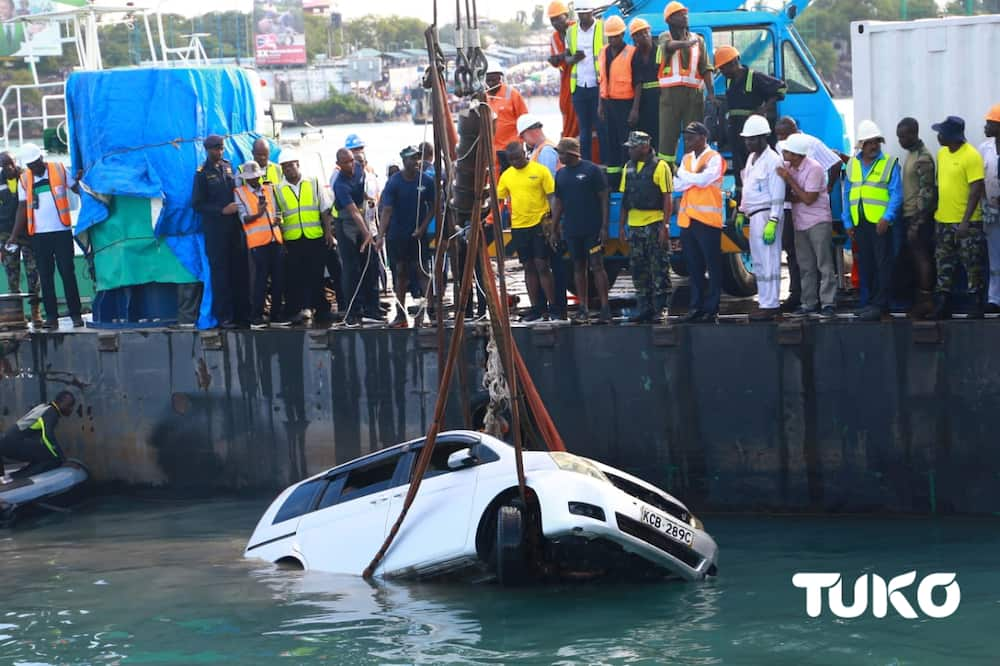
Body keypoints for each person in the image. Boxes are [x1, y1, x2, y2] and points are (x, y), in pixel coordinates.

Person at [774, 116, 844, 312]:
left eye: (787, 150)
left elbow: (808, 199)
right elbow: (794, 196)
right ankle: (809, 302)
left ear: (796, 154)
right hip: (799, 222)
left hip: (817, 221)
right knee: (805, 265)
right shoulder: (788, 165)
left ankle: (828, 302)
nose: (782, 151)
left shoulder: (814, 168)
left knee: (824, 264)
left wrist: (791, 182)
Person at [10, 144, 84, 329]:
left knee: (67, 272)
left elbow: (76, 188)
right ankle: (51, 317)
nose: (33, 169)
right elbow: (21, 208)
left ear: (41, 159)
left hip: (61, 231)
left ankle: (76, 314)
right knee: (46, 275)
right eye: (29, 166)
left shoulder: (59, 169)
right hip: (39, 235)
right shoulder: (24, 180)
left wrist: (88, 191)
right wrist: (13, 235)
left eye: (35, 164)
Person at [842, 120, 902, 321]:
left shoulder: (889, 163)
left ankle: (881, 304)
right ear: (861, 145)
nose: (874, 146)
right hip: (860, 223)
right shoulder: (853, 164)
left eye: (877, 142)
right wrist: (848, 222)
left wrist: (887, 217)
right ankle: (868, 302)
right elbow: (847, 193)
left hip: (880, 223)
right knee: (866, 264)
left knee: (882, 264)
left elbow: (896, 194)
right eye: (869, 142)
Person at [496, 141, 558, 322]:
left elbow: (551, 196)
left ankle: (552, 307)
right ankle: (536, 308)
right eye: (511, 159)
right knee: (528, 266)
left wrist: (553, 223)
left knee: (542, 265)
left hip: (539, 224)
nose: (515, 161)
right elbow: (498, 199)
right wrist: (493, 221)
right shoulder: (507, 175)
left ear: (524, 153)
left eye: (517, 157)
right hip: (519, 226)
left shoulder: (540, 171)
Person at [930, 115, 985, 320]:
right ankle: (943, 304)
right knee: (943, 264)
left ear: (952, 136)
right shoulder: (942, 154)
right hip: (943, 220)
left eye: (941, 133)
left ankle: (976, 304)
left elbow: (976, 189)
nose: (938, 137)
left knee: (972, 265)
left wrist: (965, 221)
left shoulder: (972, 156)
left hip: (966, 222)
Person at [190, 134, 248, 329]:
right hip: (216, 231)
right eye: (216, 148)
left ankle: (241, 313)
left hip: (234, 228)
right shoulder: (202, 174)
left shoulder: (228, 167)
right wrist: (221, 210)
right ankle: (224, 316)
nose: (219, 151)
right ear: (208, 150)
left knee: (238, 270)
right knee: (220, 274)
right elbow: (197, 204)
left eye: (221, 148)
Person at [552, 137, 611, 324]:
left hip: (592, 228)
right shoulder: (560, 175)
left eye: (561, 153)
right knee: (578, 267)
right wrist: (554, 228)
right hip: (572, 229)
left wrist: (603, 227)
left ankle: (604, 307)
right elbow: (559, 203)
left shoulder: (591, 170)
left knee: (597, 265)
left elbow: (603, 198)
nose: (559, 157)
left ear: (571, 153)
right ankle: (583, 308)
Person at [617, 130, 672, 324]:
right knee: (638, 269)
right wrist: (622, 227)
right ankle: (644, 307)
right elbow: (625, 198)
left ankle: (661, 307)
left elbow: (667, 197)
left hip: (654, 223)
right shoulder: (628, 167)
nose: (629, 151)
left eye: (633, 147)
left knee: (659, 267)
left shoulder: (660, 167)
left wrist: (665, 226)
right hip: (635, 225)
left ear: (644, 147)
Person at [377, 145, 435, 328]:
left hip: (418, 236)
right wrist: (380, 236)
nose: (415, 161)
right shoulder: (394, 182)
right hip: (397, 235)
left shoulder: (426, 180)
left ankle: (430, 312)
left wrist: (422, 228)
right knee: (400, 273)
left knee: (422, 271)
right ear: (404, 161)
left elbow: (434, 207)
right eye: (411, 158)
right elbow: (386, 210)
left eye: (417, 158)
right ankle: (400, 314)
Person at [276, 149, 336, 326]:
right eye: (285, 167)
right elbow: (278, 216)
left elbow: (324, 209)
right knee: (296, 276)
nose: (288, 170)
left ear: (298, 165)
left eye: (291, 166)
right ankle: (301, 308)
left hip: (314, 235)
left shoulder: (313, 182)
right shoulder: (279, 189)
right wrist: (282, 241)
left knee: (316, 274)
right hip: (293, 238)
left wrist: (328, 232)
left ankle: (322, 308)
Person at [674, 122, 725, 323]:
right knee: (694, 266)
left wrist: (686, 176)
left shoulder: (715, 158)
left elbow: (705, 181)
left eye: (691, 137)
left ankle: (712, 307)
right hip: (688, 220)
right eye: (686, 138)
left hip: (708, 221)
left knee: (712, 265)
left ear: (703, 137)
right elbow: (678, 184)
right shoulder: (687, 158)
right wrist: (693, 176)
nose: (687, 142)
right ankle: (696, 306)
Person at [715, 45, 786, 187]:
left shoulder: (755, 77)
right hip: (736, 131)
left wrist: (763, 109)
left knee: (755, 163)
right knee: (739, 167)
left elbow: (781, 88)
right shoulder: (729, 81)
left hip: (752, 132)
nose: (722, 72)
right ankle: (742, 200)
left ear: (734, 62)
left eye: (723, 68)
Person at [655, 2, 716, 167]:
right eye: (680, 14)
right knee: (667, 138)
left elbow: (706, 68)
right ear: (670, 20)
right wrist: (685, 44)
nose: (685, 16)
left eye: (685, 14)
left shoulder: (698, 40)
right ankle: (667, 176)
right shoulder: (664, 37)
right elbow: (668, 46)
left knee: (694, 137)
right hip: (670, 98)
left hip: (693, 97)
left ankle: (694, 171)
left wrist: (711, 93)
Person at [519, 113, 567, 321]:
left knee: (552, 265)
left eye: (523, 137)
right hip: (540, 218)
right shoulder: (540, 151)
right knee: (541, 265)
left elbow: (550, 189)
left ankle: (556, 308)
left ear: (531, 132)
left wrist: (552, 223)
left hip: (546, 219)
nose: (524, 142)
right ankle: (544, 307)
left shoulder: (546, 152)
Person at [737, 115, 785, 321]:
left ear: (763, 138)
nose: (748, 142)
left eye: (752, 139)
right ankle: (764, 301)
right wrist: (741, 210)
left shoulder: (773, 160)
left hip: (767, 215)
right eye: (746, 139)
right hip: (754, 215)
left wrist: (773, 221)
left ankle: (771, 304)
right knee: (759, 262)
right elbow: (747, 188)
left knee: (769, 260)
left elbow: (778, 193)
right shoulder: (751, 159)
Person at [332, 147, 380, 326]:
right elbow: (352, 212)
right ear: (338, 165)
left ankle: (372, 307)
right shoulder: (340, 184)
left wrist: (369, 198)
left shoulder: (359, 168)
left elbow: (364, 188)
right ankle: (353, 310)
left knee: (371, 264)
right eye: (346, 162)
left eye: (352, 160)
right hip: (347, 223)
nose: (351, 165)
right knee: (351, 269)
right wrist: (366, 233)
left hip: (363, 215)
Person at [896, 117, 937, 318]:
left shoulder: (923, 157)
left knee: (922, 258)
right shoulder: (911, 154)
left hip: (918, 217)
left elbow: (927, 192)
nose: (900, 140)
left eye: (903, 136)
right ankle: (917, 300)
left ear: (913, 133)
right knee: (913, 259)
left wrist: (917, 222)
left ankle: (926, 301)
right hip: (908, 214)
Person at [234, 161, 284, 329]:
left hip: (275, 239)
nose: (255, 180)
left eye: (256, 177)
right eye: (251, 178)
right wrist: (258, 213)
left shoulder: (269, 189)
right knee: (260, 281)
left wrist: (278, 219)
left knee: (278, 278)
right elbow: (243, 218)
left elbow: (277, 211)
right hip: (257, 242)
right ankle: (256, 316)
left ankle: (276, 315)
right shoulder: (240, 193)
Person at [0, 151, 40, 325]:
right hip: (6, 234)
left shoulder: (26, 176)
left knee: (33, 273)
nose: (8, 167)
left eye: (10, 163)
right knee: (12, 273)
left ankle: (36, 312)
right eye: (3, 164)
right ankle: (16, 314)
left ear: (15, 162)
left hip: (28, 233)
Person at [0, 391, 74, 484]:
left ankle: (12, 476)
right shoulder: (51, 412)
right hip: (13, 443)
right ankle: (14, 478)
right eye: (69, 405)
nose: (71, 409)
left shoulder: (44, 407)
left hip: (8, 442)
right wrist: (63, 460)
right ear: (61, 402)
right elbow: (47, 437)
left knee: (44, 453)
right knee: (53, 459)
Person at [565, 0, 604, 162]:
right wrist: (574, 58)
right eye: (580, 14)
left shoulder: (602, 28)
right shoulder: (571, 31)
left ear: (592, 12)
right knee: (585, 130)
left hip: (599, 85)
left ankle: (605, 162)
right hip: (579, 86)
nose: (583, 17)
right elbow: (567, 58)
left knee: (602, 128)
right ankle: (586, 163)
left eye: (586, 13)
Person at [597, 15, 633, 185]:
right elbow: (602, 80)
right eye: (610, 36)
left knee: (625, 142)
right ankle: (613, 180)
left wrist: (634, 109)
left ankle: (627, 178)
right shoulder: (603, 52)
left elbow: (637, 82)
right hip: (608, 103)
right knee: (610, 141)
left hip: (625, 103)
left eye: (616, 36)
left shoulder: (631, 52)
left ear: (623, 34)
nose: (613, 40)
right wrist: (600, 105)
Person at [546, 1, 579, 140]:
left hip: (580, 78)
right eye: (552, 19)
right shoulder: (554, 37)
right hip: (565, 80)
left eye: (558, 18)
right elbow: (557, 60)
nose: (555, 22)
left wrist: (561, 57)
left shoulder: (576, 29)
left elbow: (576, 55)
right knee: (565, 108)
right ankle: (568, 140)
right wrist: (559, 58)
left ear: (566, 16)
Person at [486, 62, 529, 167]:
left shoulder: (512, 94)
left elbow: (524, 119)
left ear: (500, 78)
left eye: (494, 80)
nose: (491, 83)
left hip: (511, 148)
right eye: (488, 80)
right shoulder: (483, 96)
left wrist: (525, 142)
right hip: (492, 148)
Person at [627, 18, 659, 150]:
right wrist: (635, 109)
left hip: (660, 100)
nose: (644, 36)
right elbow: (638, 82)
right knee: (645, 136)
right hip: (643, 103)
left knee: (660, 135)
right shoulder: (635, 56)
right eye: (639, 34)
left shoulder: (660, 51)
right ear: (634, 38)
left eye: (646, 32)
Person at [981, 105, 1000, 314]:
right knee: (994, 257)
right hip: (992, 210)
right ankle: (994, 299)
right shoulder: (984, 148)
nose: (985, 127)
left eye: (989, 123)